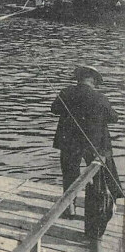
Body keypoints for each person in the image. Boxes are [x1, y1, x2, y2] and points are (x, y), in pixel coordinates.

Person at [51, 65, 122, 241]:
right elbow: (114, 118)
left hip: (69, 142)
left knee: (69, 174)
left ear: (79, 78)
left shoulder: (66, 92)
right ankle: (98, 210)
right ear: (93, 80)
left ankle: (69, 207)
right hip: (93, 144)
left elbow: (54, 109)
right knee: (96, 178)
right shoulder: (100, 98)